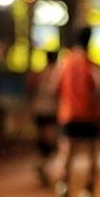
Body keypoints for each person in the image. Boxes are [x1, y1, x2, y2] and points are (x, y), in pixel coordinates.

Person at [55, 26, 100, 197]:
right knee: (92, 157)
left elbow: (55, 86)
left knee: (67, 155)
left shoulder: (65, 63)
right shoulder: (92, 65)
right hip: (90, 116)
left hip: (68, 116)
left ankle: (64, 190)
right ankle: (88, 194)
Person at [27, 49, 62, 186]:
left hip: (39, 110)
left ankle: (42, 165)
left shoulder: (39, 73)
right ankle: (44, 167)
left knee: (43, 140)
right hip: (51, 111)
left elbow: (30, 89)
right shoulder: (57, 73)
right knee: (51, 142)